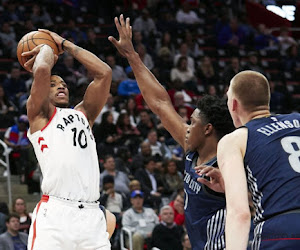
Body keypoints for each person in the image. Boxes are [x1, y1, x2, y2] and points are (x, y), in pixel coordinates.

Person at [109, 15, 234, 249]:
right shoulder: (190, 146)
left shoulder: (229, 163)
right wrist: (132, 56)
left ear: (208, 129)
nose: (187, 124)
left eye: (193, 121)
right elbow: (160, 103)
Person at [21, 28, 112, 249]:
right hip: (55, 215)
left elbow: (104, 73)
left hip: (91, 215)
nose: (60, 85)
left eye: (63, 83)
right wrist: (46, 48)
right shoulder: (39, 115)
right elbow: (42, 68)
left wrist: (66, 44)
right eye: (53, 84)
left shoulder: (84, 114)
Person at [217, 70, 300, 249]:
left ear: (233, 104)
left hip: (283, 232)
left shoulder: (235, 139)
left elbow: (240, 213)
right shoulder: (298, 120)